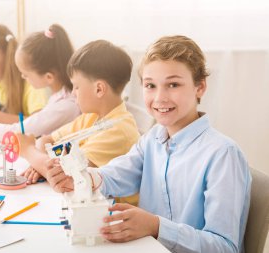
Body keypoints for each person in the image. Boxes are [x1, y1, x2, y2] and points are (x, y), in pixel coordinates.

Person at [46, 35, 251, 253]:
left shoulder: (223, 155)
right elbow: (117, 174)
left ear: (200, 87)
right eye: (150, 85)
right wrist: (83, 178)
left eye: (173, 84)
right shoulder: (153, 139)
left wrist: (156, 227)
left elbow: (225, 247)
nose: (160, 97)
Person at [18, 40, 140, 205]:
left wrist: (27, 151)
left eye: (76, 86)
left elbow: (68, 179)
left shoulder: (119, 130)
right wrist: (42, 165)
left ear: (99, 89)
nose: (73, 93)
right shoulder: (91, 117)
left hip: (111, 218)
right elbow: (46, 140)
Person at [0, 24, 81, 141]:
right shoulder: (59, 99)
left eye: (26, 74)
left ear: (49, 77)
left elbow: (15, 131)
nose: (22, 76)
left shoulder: (65, 106)